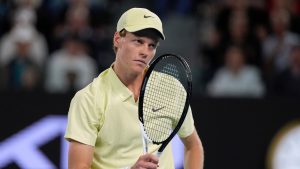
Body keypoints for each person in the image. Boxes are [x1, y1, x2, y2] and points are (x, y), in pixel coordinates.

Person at [64, 7, 204, 169]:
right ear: (117, 39)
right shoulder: (89, 99)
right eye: (138, 41)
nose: (145, 51)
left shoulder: (170, 88)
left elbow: (193, 146)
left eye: (152, 45)